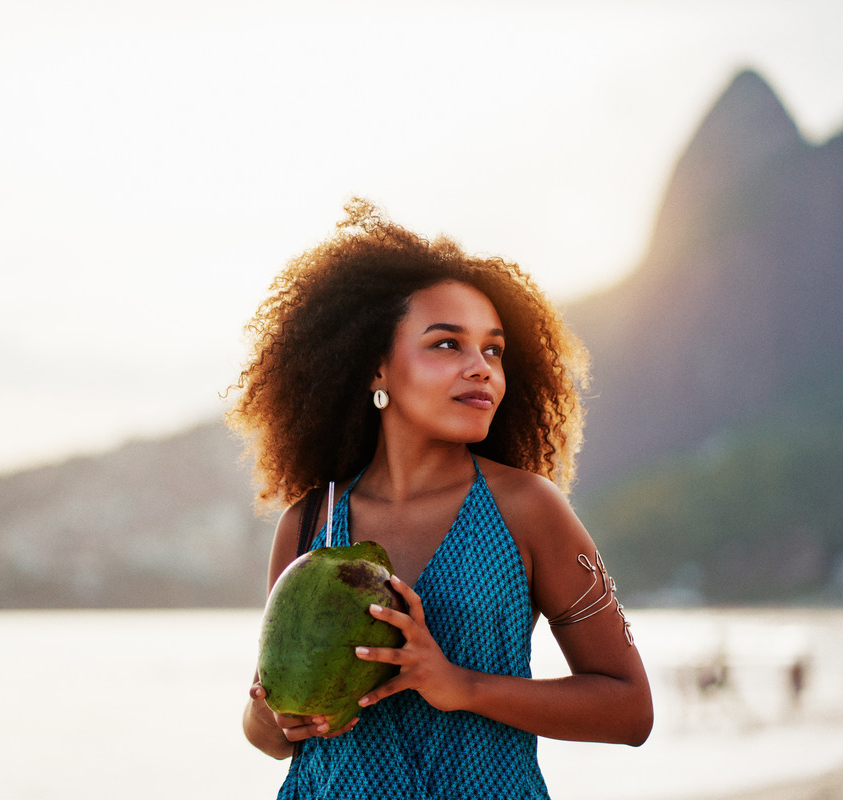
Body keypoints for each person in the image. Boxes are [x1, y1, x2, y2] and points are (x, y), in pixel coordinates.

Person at [228, 200, 654, 799]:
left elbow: (629, 709)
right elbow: (270, 733)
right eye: (447, 345)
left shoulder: (527, 509)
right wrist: (275, 717)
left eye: (493, 350)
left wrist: (463, 686)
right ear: (376, 368)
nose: (481, 368)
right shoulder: (310, 525)